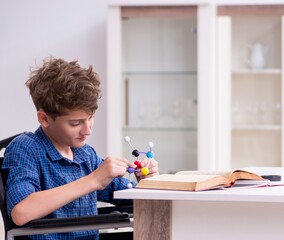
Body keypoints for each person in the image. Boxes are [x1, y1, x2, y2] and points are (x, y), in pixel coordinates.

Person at [2, 57, 159, 239]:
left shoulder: (85, 154)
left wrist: (143, 180)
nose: (88, 130)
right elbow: (21, 212)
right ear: (44, 119)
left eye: (91, 117)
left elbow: (126, 195)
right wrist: (93, 180)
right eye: (76, 122)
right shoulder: (26, 148)